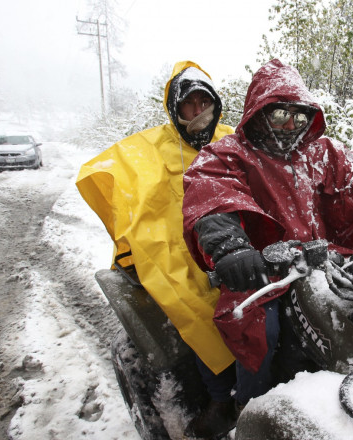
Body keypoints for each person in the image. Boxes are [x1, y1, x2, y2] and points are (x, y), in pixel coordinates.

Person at [181, 59, 353, 437]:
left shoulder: (319, 151)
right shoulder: (227, 155)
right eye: (280, 113)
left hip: (325, 259)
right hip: (265, 271)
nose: (290, 125)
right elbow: (212, 198)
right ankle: (249, 409)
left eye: (299, 115)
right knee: (263, 330)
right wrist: (231, 248)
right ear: (259, 111)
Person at [75, 61, 237, 436]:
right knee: (195, 306)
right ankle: (220, 397)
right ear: (175, 109)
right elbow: (100, 175)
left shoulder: (232, 140)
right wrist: (126, 241)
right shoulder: (151, 147)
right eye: (189, 105)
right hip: (177, 250)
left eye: (205, 103)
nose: (199, 113)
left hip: (235, 239)